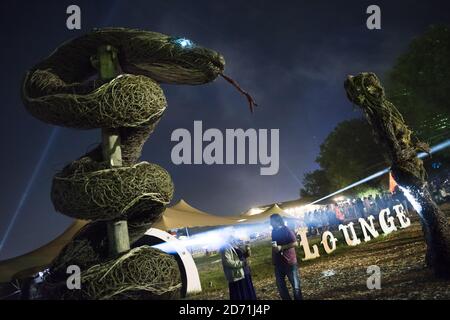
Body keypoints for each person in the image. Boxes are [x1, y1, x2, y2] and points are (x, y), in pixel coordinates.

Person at [270, 213, 303, 300]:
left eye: (271, 221)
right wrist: (273, 257)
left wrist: (282, 247)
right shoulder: (273, 232)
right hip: (278, 263)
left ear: (277, 221)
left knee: (295, 286)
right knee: (281, 287)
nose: (270, 223)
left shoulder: (286, 230)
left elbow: (295, 243)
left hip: (289, 262)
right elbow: (274, 245)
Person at [220, 232, 257, 300]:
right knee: (241, 293)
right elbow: (227, 262)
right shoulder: (225, 247)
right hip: (237, 274)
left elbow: (242, 256)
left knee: (248, 291)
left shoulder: (235, 245)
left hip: (245, 272)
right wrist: (243, 263)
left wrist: (247, 249)